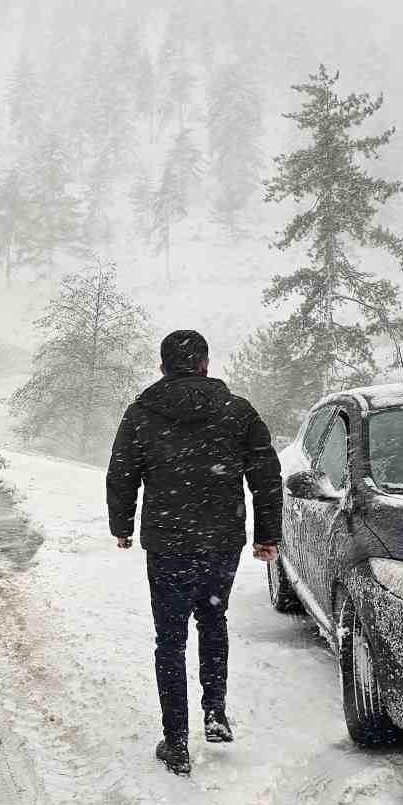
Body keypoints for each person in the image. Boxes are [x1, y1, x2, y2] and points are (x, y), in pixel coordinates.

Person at [106, 329, 282, 777]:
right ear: (204, 364)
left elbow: (122, 474)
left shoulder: (143, 414)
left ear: (163, 366)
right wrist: (266, 533)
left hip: (168, 542)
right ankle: (215, 710)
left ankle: (177, 742)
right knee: (212, 618)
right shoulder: (237, 411)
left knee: (170, 638)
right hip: (221, 540)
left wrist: (122, 526)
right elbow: (266, 475)